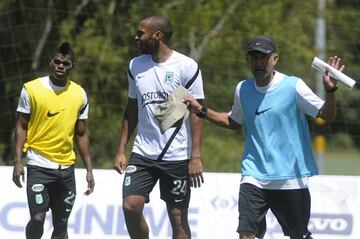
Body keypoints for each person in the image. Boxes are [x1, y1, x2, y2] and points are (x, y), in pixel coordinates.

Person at [184, 35, 345, 239]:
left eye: (263, 57)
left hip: (290, 179)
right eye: (254, 57)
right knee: (247, 235)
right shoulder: (243, 89)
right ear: (248, 60)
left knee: (299, 236)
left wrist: (330, 90)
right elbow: (234, 121)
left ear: (275, 59)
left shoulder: (293, 86)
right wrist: (202, 110)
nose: (258, 62)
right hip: (254, 176)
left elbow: (327, 115)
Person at [113, 16, 205, 239]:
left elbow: (197, 113)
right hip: (143, 153)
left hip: (176, 156)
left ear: (157, 36)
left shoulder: (186, 66)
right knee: (130, 206)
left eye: (141, 33)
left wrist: (195, 157)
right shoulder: (135, 65)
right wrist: (121, 149)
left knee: (177, 219)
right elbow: (132, 108)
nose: (136, 37)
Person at [12, 42, 95, 239]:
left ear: (72, 67)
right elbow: (21, 126)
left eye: (66, 64)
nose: (61, 66)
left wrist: (89, 170)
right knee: (38, 218)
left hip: (66, 168)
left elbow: (81, 134)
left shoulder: (79, 94)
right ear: (50, 62)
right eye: (57, 62)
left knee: (61, 225)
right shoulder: (31, 89)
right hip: (38, 164)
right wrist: (17, 161)